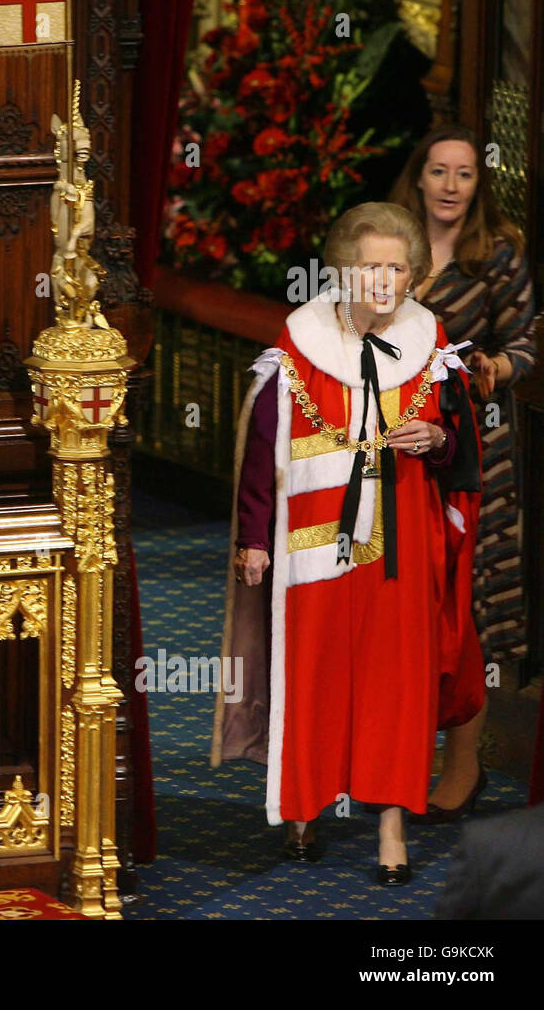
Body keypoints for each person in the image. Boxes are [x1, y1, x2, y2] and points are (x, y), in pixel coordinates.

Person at [211, 202, 484, 885]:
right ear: (343, 272)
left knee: (397, 684)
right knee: (316, 674)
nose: (385, 280)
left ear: (414, 273)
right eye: (371, 267)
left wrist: (438, 439)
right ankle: (304, 808)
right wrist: (252, 535)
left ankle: (391, 824)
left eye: (397, 267)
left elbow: (464, 448)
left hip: (406, 543)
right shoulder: (300, 344)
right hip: (316, 546)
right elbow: (262, 446)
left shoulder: (435, 342)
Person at [390, 125, 537, 822]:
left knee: (463, 617)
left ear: (479, 185)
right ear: (418, 177)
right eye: (439, 171)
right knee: (403, 610)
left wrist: (496, 371)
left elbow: (530, 343)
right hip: (392, 455)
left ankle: (464, 764)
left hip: (473, 460)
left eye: (465, 174)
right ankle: (392, 755)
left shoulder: (496, 257)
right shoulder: (387, 246)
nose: (450, 185)